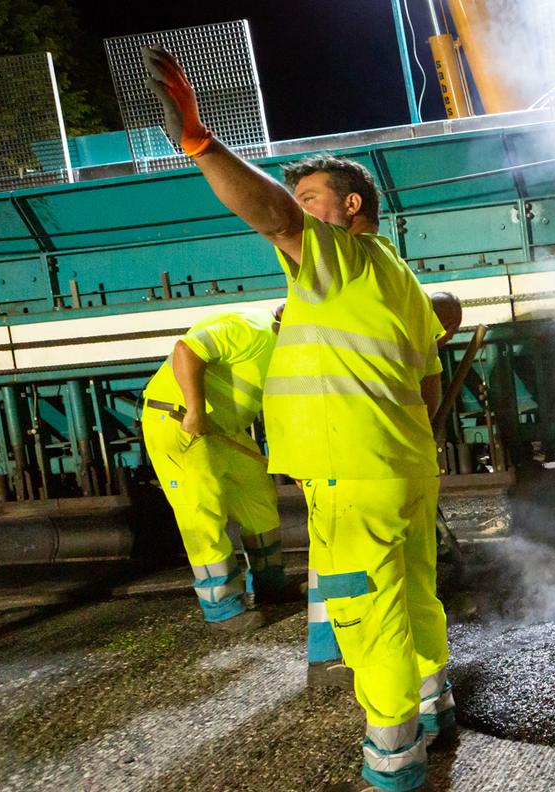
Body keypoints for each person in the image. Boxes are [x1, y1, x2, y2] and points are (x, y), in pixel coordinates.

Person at [144, 46, 462, 791]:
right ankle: (431, 702)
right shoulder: (397, 279)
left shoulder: (343, 260)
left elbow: (273, 215)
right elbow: (427, 388)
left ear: (353, 208)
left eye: (316, 197)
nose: (301, 211)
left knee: (366, 613)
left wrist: (201, 142)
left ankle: (394, 757)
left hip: (352, 476)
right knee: (413, 592)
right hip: (401, 469)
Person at [141, 307, 288, 632]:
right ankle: (222, 608)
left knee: (258, 497)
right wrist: (195, 409)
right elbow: (187, 350)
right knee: (202, 512)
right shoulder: (249, 329)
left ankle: (271, 586)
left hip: (224, 430)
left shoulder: (287, 352)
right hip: (181, 422)